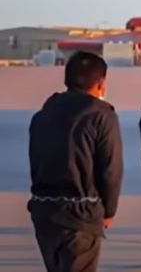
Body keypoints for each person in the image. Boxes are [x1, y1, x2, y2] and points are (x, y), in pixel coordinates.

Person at [28, 51, 122, 272]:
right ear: (101, 83)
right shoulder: (101, 115)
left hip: (44, 211)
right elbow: (111, 169)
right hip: (80, 214)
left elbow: (36, 162)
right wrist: (108, 211)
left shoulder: (43, 115)